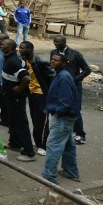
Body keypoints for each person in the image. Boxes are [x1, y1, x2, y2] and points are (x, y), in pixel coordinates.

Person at [42, 53, 81, 184]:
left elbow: (66, 100)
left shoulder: (63, 77)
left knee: (54, 145)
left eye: (56, 60)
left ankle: (49, 175)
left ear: (64, 63)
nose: (53, 62)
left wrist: (58, 113)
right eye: (52, 59)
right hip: (68, 117)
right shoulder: (61, 75)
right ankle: (71, 172)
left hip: (63, 117)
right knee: (69, 145)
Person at [0, 39, 36, 162]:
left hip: (16, 98)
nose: (1, 45)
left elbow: (26, 77)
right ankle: (14, 143)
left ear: (10, 47)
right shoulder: (11, 58)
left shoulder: (13, 61)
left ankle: (28, 152)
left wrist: (19, 89)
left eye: (3, 44)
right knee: (13, 120)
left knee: (21, 123)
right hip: (10, 96)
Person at [50, 35, 91, 145]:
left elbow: (87, 70)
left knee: (75, 109)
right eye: (54, 41)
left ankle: (80, 135)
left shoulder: (75, 54)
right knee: (61, 107)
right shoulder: (54, 53)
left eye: (58, 42)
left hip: (74, 86)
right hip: (60, 85)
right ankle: (66, 132)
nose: (56, 43)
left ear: (64, 42)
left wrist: (75, 79)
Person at [19, 41, 55, 156]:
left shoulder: (41, 62)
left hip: (41, 94)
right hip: (31, 93)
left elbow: (52, 78)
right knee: (35, 119)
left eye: (22, 48)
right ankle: (38, 141)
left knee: (42, 120)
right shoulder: (25, 60)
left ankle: (43, 145)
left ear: (29, 49)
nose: (20, 50)